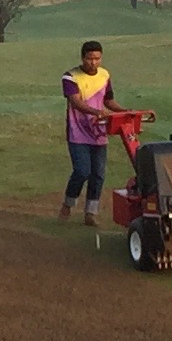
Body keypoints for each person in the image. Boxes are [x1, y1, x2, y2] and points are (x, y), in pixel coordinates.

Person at [59, 41, 115, 222]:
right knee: (82, 171)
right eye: (90, 59)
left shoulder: (105, 75)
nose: (93, 63)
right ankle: (68, 204)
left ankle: (91, 213)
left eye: (97, 58)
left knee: (98, 174)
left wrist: (125, 111)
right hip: (78, 133)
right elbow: (76, 102)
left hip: (98, 132)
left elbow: (109, 101)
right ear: (83, 58)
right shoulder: (70, 77)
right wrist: (96, 112)